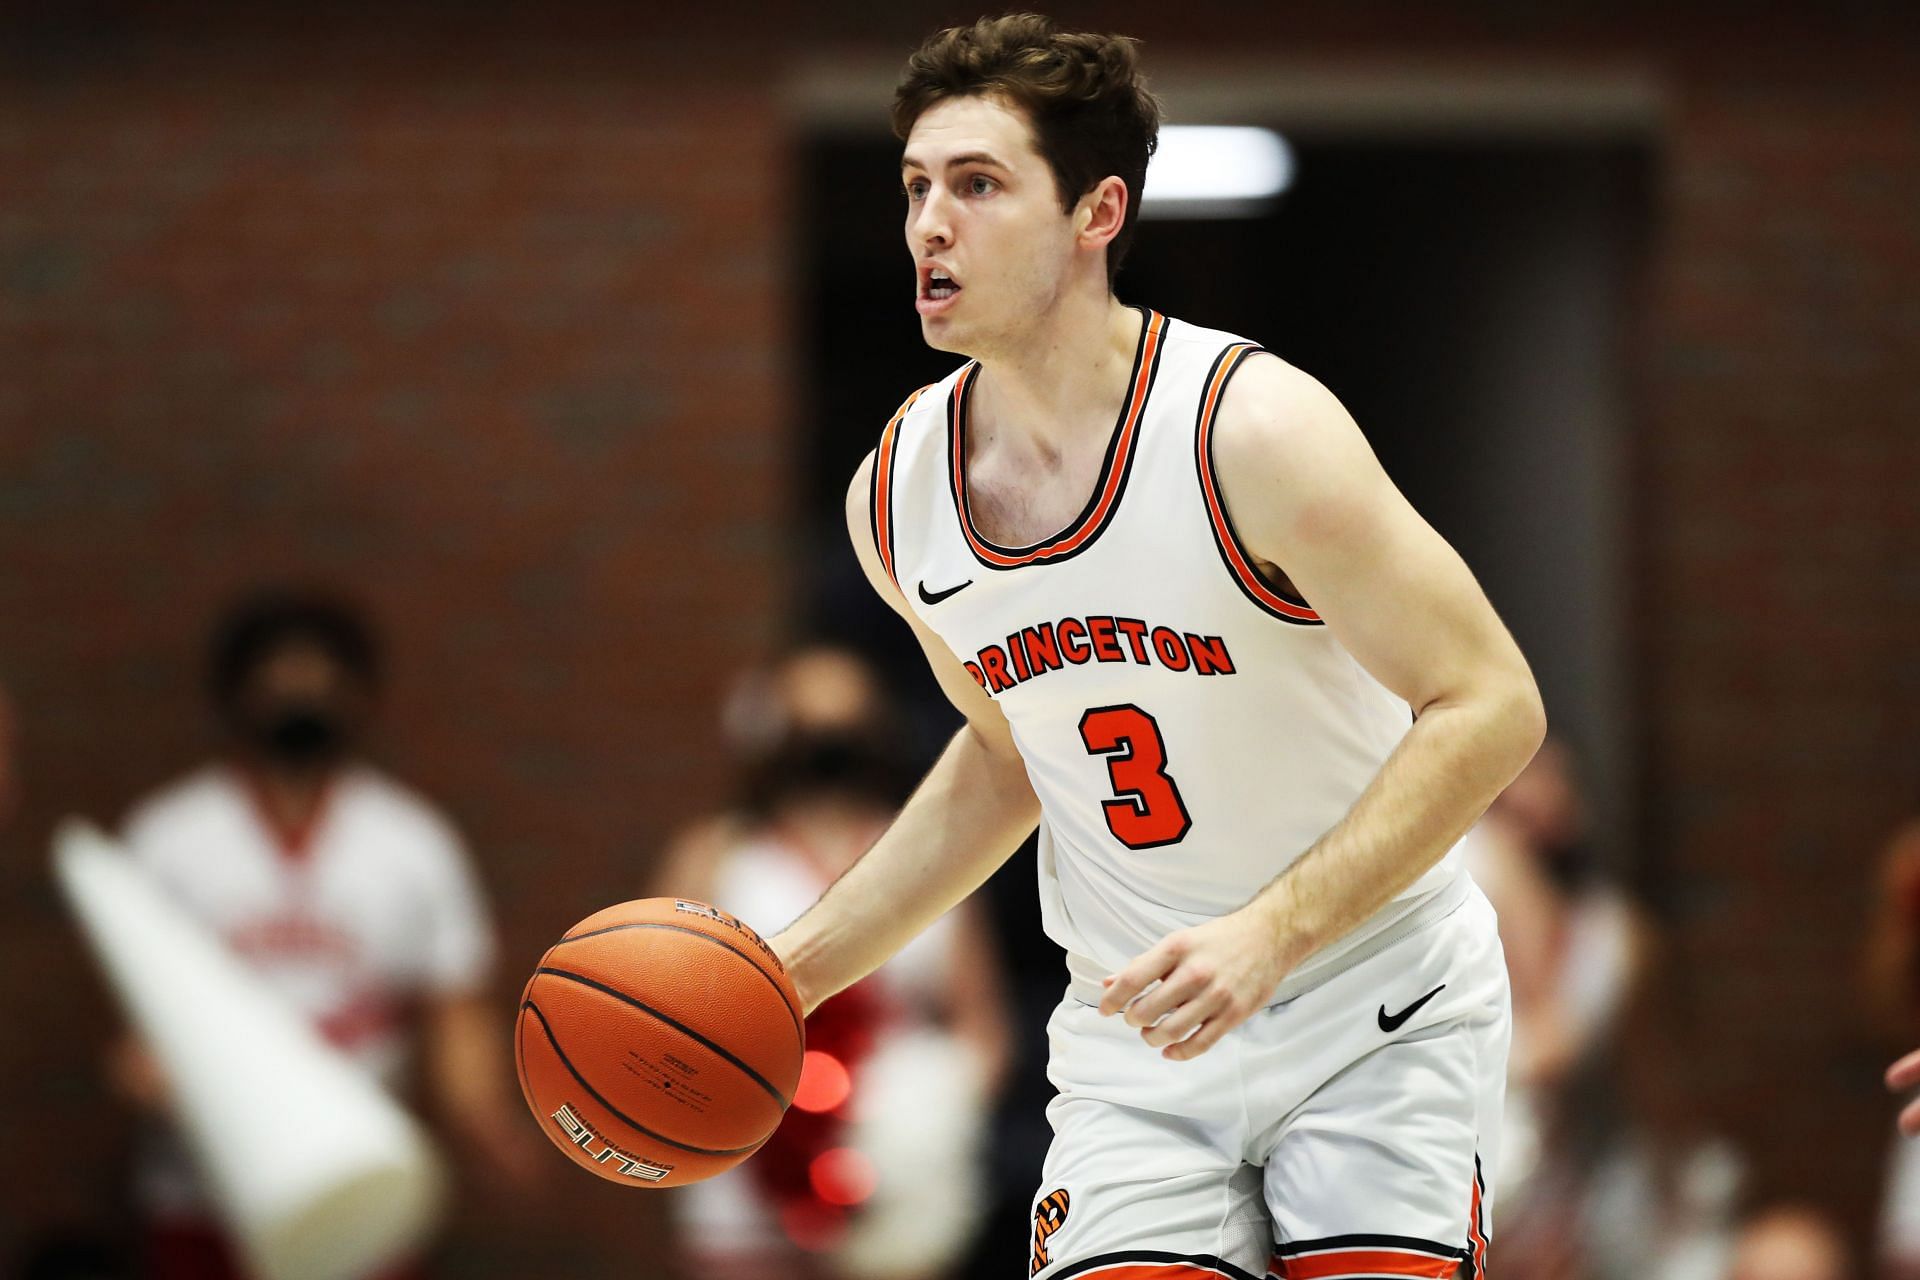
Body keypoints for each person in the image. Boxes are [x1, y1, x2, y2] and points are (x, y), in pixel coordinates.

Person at [765, 16, 1545, 1279]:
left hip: (1374, 1001)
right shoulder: (897, 496)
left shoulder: (1256, 432)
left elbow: (1492, 703)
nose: (928, 224)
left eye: (977, 184)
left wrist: (1273, 931)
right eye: (915, 186)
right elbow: (1010, 757)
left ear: (1096, 212)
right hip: (1143, 1033)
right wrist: (789, 970)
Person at [110, 589, 534, 1280]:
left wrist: (484, 1119)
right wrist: (150, 1070)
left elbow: (454, 1006)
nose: (299, 701)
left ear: (358, 695)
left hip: (356, 1182)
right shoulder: (169, 838)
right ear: (237, 694)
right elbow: (139, 1024)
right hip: (204, 1191)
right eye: (278, 683)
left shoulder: (412, 842)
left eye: (318, 682)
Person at [655, 646, 1010, 1280]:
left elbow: (980, 1023)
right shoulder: (715, 852)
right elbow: (661, 1005)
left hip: (889, 1166)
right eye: (809, 727)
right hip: (748, 1152)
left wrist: (927, 1120)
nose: (828, 748)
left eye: (846, 728)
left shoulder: (941, 851)